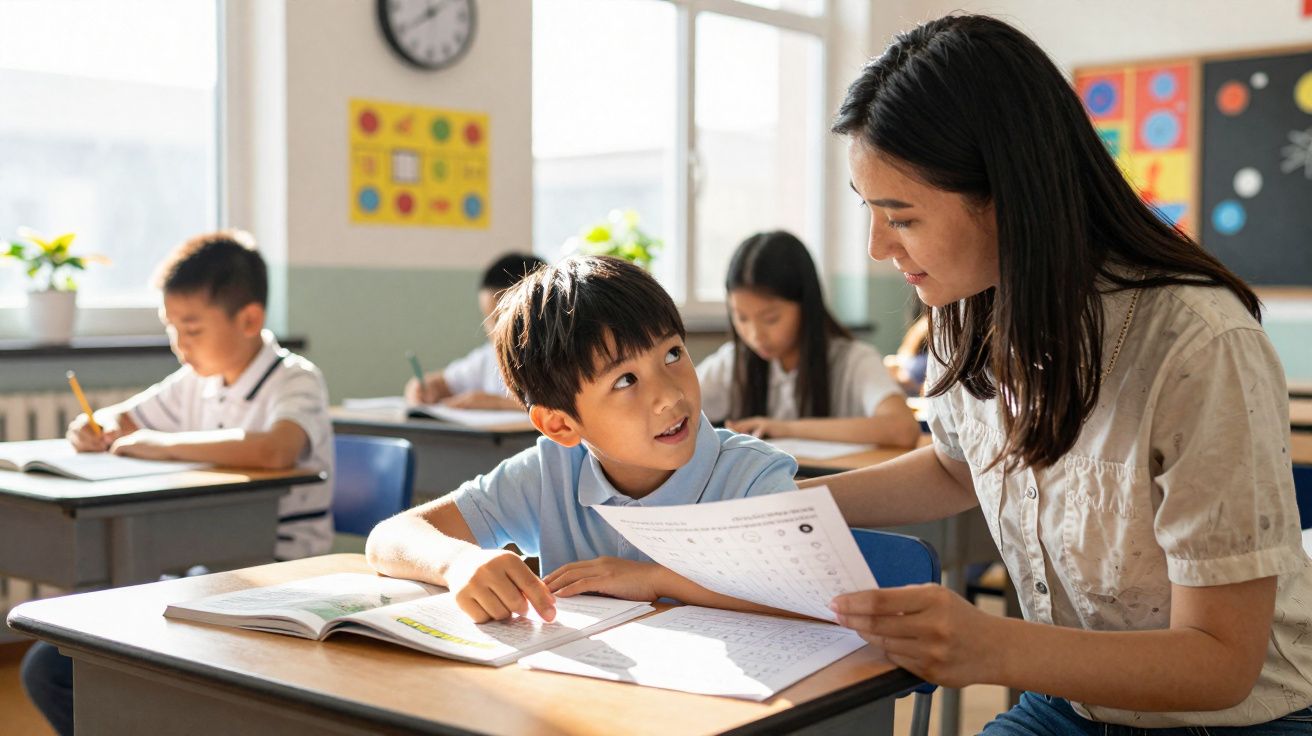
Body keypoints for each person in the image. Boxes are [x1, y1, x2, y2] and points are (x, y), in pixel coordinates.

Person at [813, 14, 1312, 734]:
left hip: (1238, 720)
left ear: (1008, 197)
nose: (876, 246)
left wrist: (992, 646)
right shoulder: (971, 310)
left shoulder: (1198, 344)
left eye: (903, 217)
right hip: (1072, 705)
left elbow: (1223, 662)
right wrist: (789, 507)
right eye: (869, 209)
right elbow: (957, 466)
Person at [367, 255, 799, 623]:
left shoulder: (750, 477)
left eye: (672, 354)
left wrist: (655, 580)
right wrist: (459, 562)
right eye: (626, 380)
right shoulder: (550, 473)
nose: (670, 395)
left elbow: (808, 599)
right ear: (560, 425)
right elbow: (391, 536)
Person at [24, 230, 334, 736]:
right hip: (201, 576)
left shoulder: (293, 378)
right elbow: (125, 418)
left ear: (249, 320)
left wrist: (164, 445)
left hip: (277, 581)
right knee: (49, 668)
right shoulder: (196, 383)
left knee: (138, 673)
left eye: (192, 328)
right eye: (171, 327)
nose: (179, 343)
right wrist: (94, 426)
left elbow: (277, 448)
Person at [696, 230, 921, 448]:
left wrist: (784, 429)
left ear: (805, 306)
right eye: (741, 318)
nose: (755, 335)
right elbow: (681, 400)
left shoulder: (854, 360)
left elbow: (903, 429)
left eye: (771, 319)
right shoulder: (732, 363)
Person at [404, 252, 547, 410]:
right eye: (489, 319)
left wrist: (498, 403)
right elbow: (443, 383)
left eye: (503, 320)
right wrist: (425, 388)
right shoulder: (489, 358)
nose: (494, 331)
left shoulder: (557, 361)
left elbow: (560, 410)